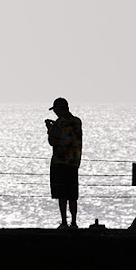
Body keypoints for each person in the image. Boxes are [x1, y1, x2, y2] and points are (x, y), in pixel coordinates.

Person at [45, 97, 82, 228]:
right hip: (73, 162)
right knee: (72, 195)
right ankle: (74, 222)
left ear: (61, 109)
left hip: (60, 162)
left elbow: (53, 142)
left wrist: (50, 129)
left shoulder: (59, 124)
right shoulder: (77, 122)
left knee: (62, 195)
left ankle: (64, 222)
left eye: (55, 109)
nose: (55, 112)